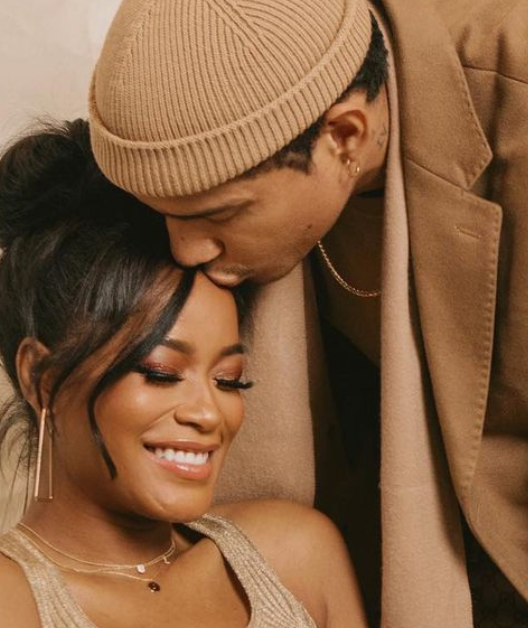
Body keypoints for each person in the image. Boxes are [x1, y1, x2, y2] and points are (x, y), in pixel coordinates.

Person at [87, 0, 528, 627]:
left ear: (344, 136)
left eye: (217, 214)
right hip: (411, 510)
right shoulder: (258, 103)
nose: (184, 251)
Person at [0, 120, 368, 628]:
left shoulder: (297, 557)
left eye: (229, 380)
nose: (209, 413)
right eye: (162, 373)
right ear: (41, 376)